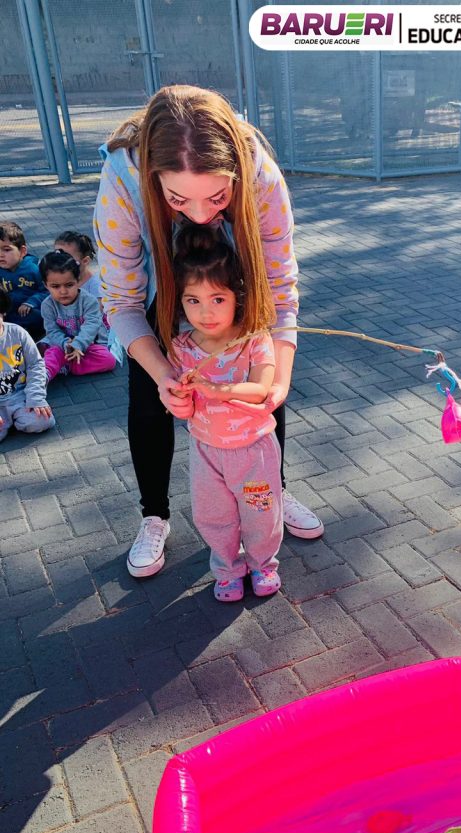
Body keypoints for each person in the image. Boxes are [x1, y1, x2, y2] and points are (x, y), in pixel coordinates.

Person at [93, 85, 324, 581]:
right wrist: (163, 374)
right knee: (150, 400)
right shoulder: (122, 177)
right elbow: (122, 301)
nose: (199, 215)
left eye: (217, 197)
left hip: (231, 286)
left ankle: (273, 492)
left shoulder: (258, 171)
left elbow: (280, 287)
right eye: (178, 199)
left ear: (236, 172)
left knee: (262, 394)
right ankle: (154, 515)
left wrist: (279, 380)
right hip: (161, 292)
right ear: (152, 177)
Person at [171, 225, 282, 600]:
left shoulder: (254, 338)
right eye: (193, 300)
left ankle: (263, 564)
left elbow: (261, 388)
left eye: (217, 299)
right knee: (213, 515)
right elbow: (182, 405)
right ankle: (227, 569)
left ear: (237, 296)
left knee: (260, 512)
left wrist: (216, 390)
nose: (205, 312)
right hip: (205, 449)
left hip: (253, 450)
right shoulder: (181, 347)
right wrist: (180, 393)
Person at [38, 250, 117, 381]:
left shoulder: (89, 301)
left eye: (69, 285)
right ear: (45, 285)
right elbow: (52, 331)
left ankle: (66, 365)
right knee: (53, 351)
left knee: (109, 360)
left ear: (78, 281)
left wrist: (78, 345)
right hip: (62, 345)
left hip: (89, 345)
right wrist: (65, 344)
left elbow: (92, 325)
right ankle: (43, 376)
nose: (63, 291)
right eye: (55, 286)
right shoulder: (47, 305)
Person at [0, 290, 54, 442]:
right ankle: (9, 423)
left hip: (19, 395)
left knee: (43, 420)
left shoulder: (17, 332)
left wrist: (36, 397)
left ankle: (14, 420)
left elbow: (36, 365)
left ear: (3, 311)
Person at [0, 221, 47, 340]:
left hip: (30, 312)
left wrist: (31, 302)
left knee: (36, 317)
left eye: (6, 250)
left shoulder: (34, 269)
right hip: (7, 314)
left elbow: (47, 290)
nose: (1, 255)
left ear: (22, 251)